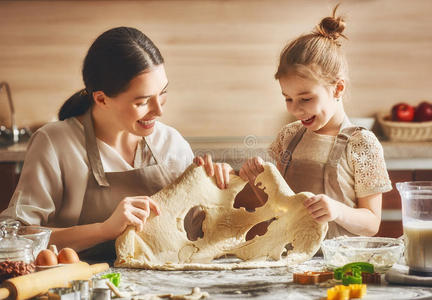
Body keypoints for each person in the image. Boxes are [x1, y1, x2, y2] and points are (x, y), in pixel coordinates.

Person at [0, 27, 231, 259]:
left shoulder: (171, 143)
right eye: (142, 102)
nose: (159, 110)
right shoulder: (54, 143)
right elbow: (15, 237)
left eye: (162, 93)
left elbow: (198, 234)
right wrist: (104, 230)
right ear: (101, 99)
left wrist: (217, 190)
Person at [239, 5, 392, 239]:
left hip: (339, 266)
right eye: (287, 98)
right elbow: (279, 208)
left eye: (306, 98)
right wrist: (257, 183)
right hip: (291, 259)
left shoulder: (362, 144)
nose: (295, 108)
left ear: (338, 88)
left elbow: (372, 224)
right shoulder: (288, 137)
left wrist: (337, 211)